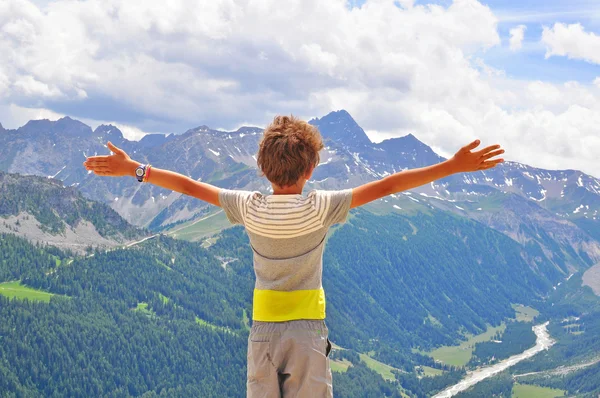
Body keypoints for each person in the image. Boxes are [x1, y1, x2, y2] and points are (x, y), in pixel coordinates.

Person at [83, 115, 504, 397]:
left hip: (262, 331)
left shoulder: (248, 207)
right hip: (307, 332)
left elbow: (189, 186)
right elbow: (391, 185)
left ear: (264, 170)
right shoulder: (321, 207)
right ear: (310, 170)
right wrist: (451, 166)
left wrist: (135, 168)